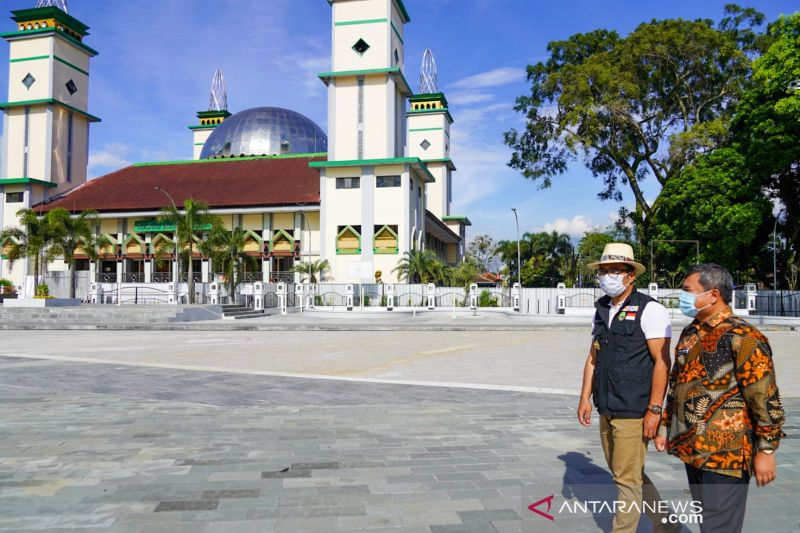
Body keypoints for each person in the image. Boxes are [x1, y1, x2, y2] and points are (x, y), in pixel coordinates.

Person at [655, 263, 785, 532]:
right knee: (708, 522)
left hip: (726, 455)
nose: (683, 296)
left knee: (719, 527)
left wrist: (767, 450)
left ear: (713, 294)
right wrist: (666, 427)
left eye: (688, 290)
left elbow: (764, 397)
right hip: (693, 449)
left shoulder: (744, 337)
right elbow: (677, 383)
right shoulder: (692, 332)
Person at [577, 243, 675, 532]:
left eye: (615, 271)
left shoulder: (650, 310)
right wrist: (584, 398)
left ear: (631, 275)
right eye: (604, 272)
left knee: (625, 478)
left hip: (634, 407)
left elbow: (662, 362)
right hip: (607, 404)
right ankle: (666, 523)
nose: (608, 277)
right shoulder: (602, 310)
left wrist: (656, 410)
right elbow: (593, 357)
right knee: (627, 472)